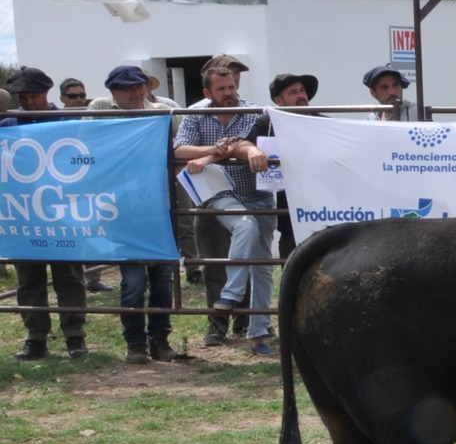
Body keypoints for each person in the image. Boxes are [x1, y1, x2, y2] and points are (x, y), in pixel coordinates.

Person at [173, 61, 278, 355]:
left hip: (257, 193)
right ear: (208, 92)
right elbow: (179, 149)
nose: (229, 92)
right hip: (219, 192)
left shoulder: (253, 111)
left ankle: (258, 333)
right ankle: (230, 296)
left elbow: (241, 145)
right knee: (244, 226)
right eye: (222, 88)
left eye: (231, 85)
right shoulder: (196, 114)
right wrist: (212, 151)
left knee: (263, 266)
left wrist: (212, 156)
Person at [85, 66, 178, 362]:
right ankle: (135, 344)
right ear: (114, 92)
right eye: (129, 88)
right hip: (122, 207)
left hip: (157, 204)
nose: (138, 92)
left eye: (140, 86)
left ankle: (160, 339)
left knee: (163, 278)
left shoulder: (161, 111)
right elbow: (90, 145)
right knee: (134, 281)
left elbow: (175, 149)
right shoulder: (100, 108)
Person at [7, 68, 90, 360]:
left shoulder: (67, 122)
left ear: (46, 94)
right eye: (24, 97)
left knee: (69, 275)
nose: (29, 101)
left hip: (63, 210)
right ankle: (36, 336)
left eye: (33, 95)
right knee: (29, 278)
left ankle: (74, 335)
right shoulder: (8, 125)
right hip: (25, 212)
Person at [266, 73, 318, 261]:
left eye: (302, 90)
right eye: (293, 92)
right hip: (291, 221)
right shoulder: (269, 123)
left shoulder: (325, 121)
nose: (301, 96)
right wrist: (250, 150)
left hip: (329, 214)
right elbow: (246, 142)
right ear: (279, 100)